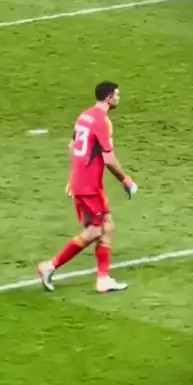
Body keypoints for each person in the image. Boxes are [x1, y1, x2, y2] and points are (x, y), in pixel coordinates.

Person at [38, 81, 138, 294]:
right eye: (117, 95)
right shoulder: (102, 121)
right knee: (94, 231)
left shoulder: (84, 116)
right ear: (109, 97)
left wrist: (73, 177)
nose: (119, 98)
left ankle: (103, 279)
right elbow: (108, 159)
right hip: (90, 186)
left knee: (107, 226)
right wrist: (125, 179)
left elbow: (72, 146)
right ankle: (50, 266)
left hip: (82, 182)